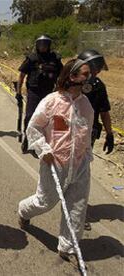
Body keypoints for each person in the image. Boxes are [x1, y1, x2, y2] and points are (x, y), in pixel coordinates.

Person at [17, 59, 94, 268]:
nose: (89, 78)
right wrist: (44, 149)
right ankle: (23, 211)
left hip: (79, 165)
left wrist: (86, 157)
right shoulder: (51, 101)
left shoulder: (86, 104)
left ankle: (67, 247)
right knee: (45, 201)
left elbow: (86, 134)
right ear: (72, 77)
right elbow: (33, 128)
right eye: (85, 74)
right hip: (55, 162)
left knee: (77, 207)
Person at [77, 49, 114, 231]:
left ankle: (78, 211)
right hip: (68, 133)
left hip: (88, 134)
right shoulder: (70, 82)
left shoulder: (98, 86)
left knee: (82, 173)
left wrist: (110, 133)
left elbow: (105, 112)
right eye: (94, 68)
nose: (96, 72)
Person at [16, 35, 63, 153]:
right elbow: (21, 75)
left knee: (45, 119)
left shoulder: (55, 59)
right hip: (34, 92)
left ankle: (41, 142)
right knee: (30, 116)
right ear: (37, 45)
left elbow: (62, 76)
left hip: (48, 93)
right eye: (41, 44)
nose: (43, 47)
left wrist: (59, 91)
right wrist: (18, 92)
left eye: (45, 44)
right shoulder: (32, 58)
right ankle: (27, 138)